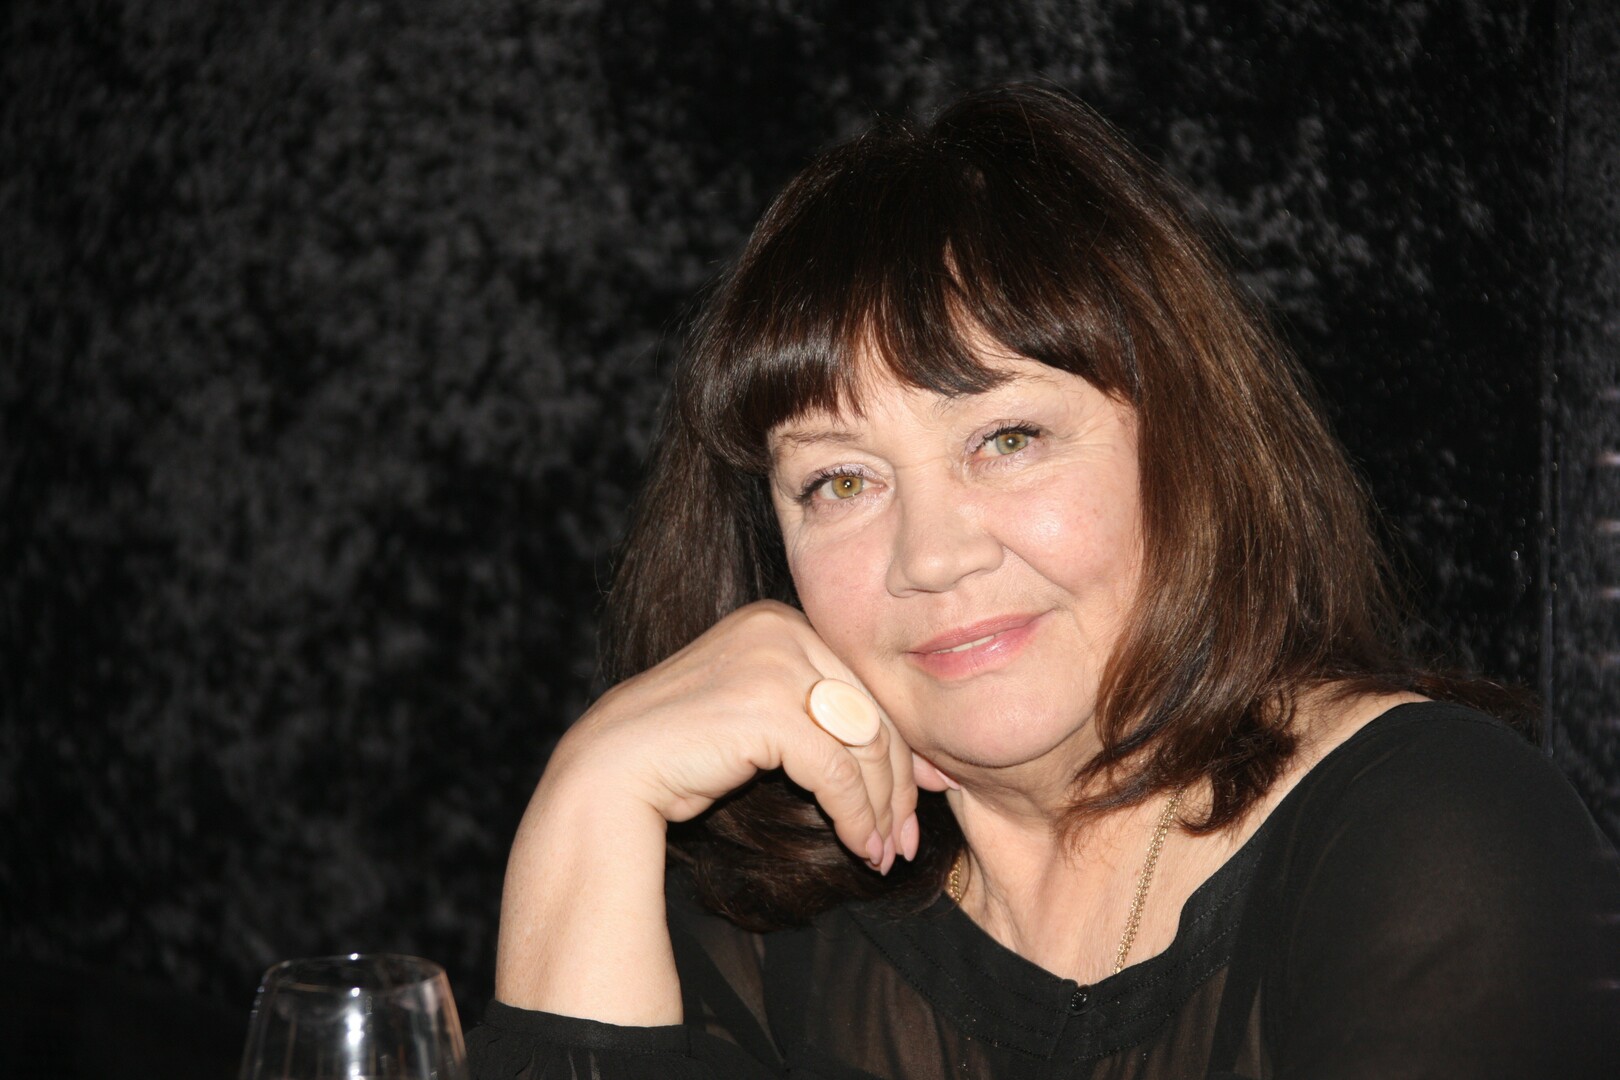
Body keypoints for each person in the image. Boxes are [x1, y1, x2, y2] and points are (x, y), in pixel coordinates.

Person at [467, 85, 1619, 1078]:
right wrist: (592, 792)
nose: (931, 556)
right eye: (841, 482)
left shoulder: (1439, 839)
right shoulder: (752, 914)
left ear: (1185, 448)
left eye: (1007, 439)